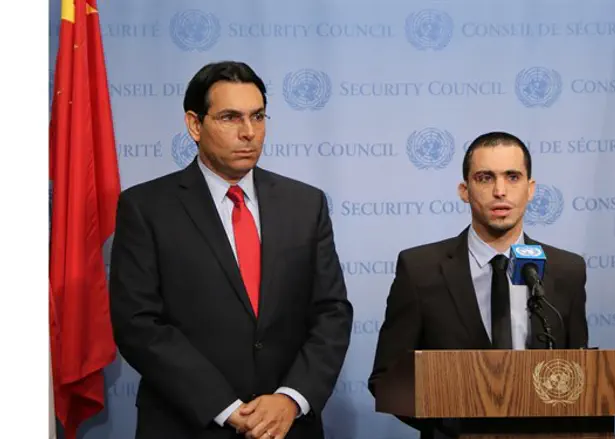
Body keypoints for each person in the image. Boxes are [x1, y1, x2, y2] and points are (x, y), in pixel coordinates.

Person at [109, 61, 353, 439]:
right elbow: (138, 323)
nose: (249, 132)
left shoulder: (305, 204)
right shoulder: (146, 207)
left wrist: (291, 398)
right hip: (187, 424)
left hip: (287, 426)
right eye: (229, 117)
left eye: (258, 116)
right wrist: (223, 407)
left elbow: (331, 311)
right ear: (194, 125)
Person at [368, 132, 589, 439]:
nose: (500, 191)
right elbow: (386, 378)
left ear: (531, 189)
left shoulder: (567, 270)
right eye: (485, 178)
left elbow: (580, 376)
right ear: (464, 190)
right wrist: (454, 425)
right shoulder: (420, 270)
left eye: (512, 177)